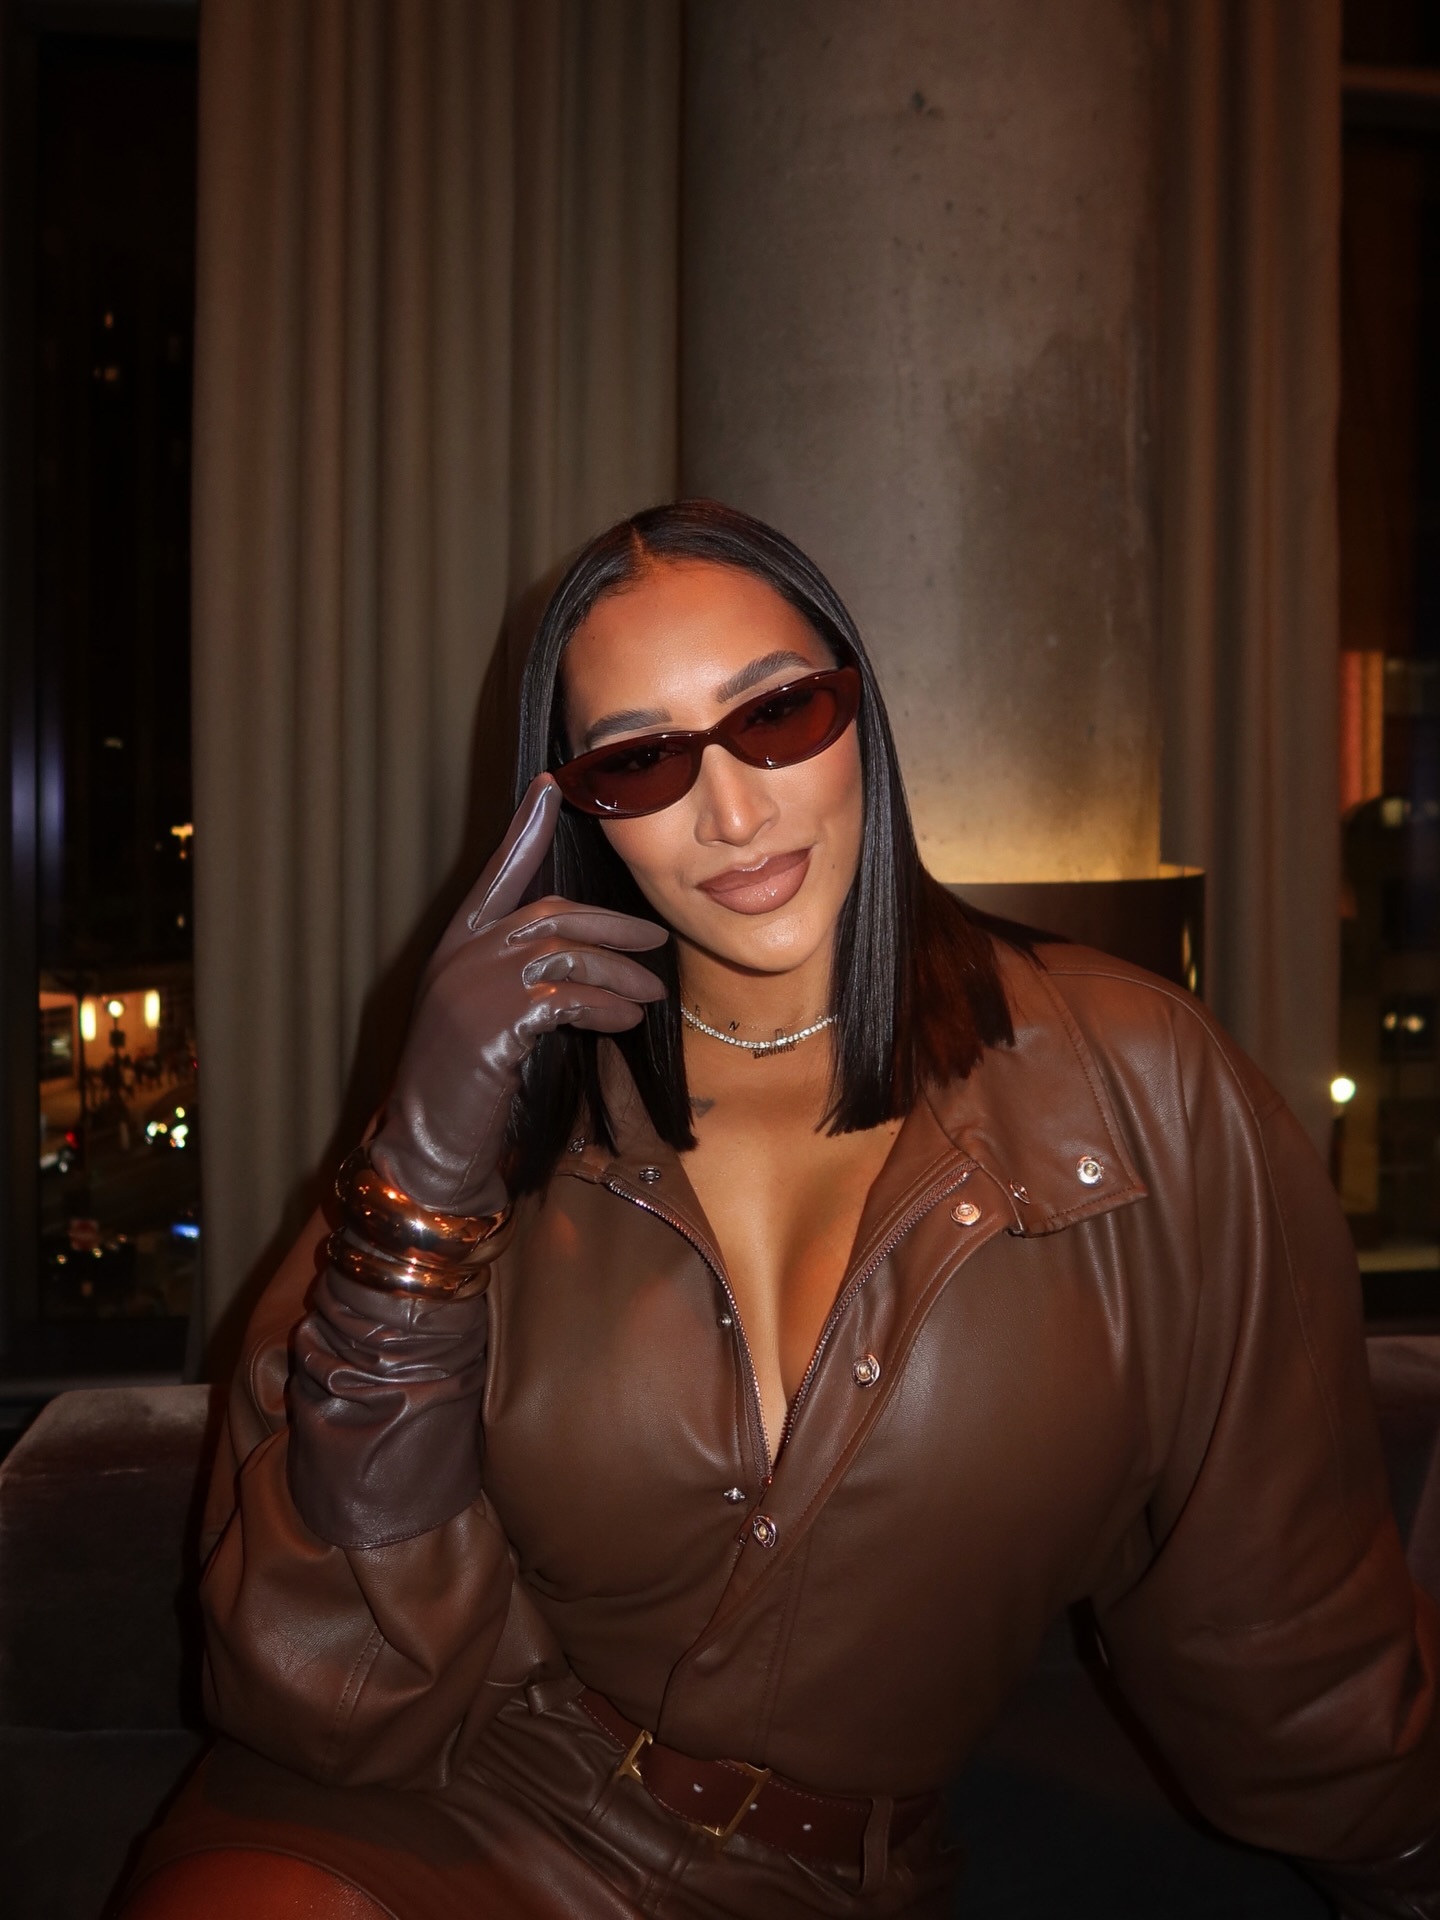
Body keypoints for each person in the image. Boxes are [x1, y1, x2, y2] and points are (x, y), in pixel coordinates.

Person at [125, 503, 1440, 1919]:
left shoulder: (1138, 1087)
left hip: (817, 1880)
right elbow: (325, 1690)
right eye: (640, 758)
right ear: (575, 809)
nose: (734, 814)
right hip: (416, 1825)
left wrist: (1406, 1862)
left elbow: (1285, 1621)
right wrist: (425, 1170)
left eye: (776, 715)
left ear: (862, 716)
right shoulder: (492, 1106)